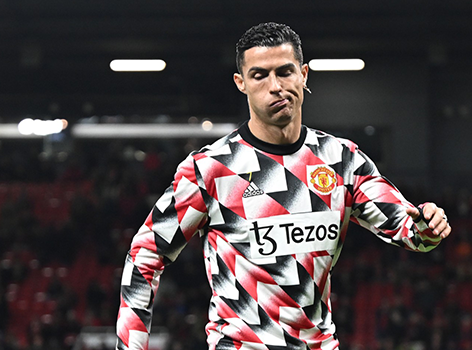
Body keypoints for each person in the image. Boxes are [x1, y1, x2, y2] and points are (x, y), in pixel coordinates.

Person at [115, 22, 452, 350]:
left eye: (285, 72)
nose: (275, 85)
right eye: (259, 75)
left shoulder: (342, 161)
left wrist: (428, 225)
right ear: (241, 83)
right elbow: (144, 255)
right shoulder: (210, 169)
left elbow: (413, 234)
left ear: (303, 75)